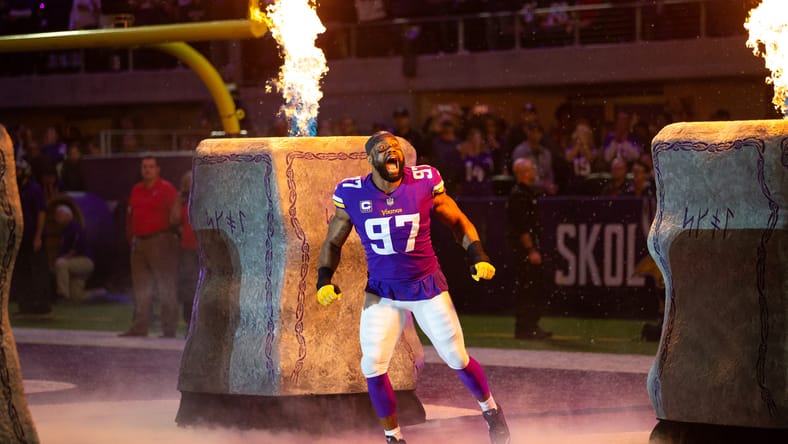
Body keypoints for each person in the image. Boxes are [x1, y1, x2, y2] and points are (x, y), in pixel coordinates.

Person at [317, 131, 510, 444]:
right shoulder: (352, 192)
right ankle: (394, 437)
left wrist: (478, 255)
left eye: (395, 146)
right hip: (382, 292)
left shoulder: (423, 180)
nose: (391, 151)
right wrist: (324, 278)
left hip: (426, 286)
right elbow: (333, 240)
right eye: (382, 149)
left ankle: (491, 410)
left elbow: (458, 221)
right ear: (370, 160)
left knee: (456, 358)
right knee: (373, 365)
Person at [120, 156, 179, 337]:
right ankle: (140, 326)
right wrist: (131, 238)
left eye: (151, 167)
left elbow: (175, 213)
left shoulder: (166, 189)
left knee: (165, 285)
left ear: (157, 169)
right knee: (140, 286)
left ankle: (168, 328)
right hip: (139, 242)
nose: (147, 170)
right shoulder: (136, 190)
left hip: (159, 239)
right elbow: (130, 216)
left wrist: (171, 234)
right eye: (144, 167)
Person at [507, 158, 551, 340]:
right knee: (528, 288)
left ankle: (530, 325)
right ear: (523, 173)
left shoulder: (526, 193)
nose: (534, 171)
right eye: (531, 168)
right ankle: (526, 327)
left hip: (526, 249)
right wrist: (531, 249)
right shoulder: (519, 195)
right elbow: (522, 226)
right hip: (525, 251)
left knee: (532, 288)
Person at [11, 160, 52, 317]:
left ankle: (42, 306)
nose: (16, 173)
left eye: (19, 170)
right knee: (22, 272)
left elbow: (41, 212)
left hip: (33, 236)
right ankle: (25, 306)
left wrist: (38, 236)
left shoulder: (34, 189)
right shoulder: (15, 191)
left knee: (38, 271)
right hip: (20, 237)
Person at [170, 170, 197, 329]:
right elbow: (173, 220)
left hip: (203, 250)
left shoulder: (206, 199)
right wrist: (178, 200)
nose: (191, 185)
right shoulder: (184, 201)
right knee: (188, 286)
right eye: (188, 183)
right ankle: (189, 322)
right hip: (187, 249)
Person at [52, 204, 94, 302]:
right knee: (76, 297)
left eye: (59, 215)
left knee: (60, 264)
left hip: (85, 261)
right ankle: (100, 294)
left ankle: (63, 296)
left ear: (68, 215)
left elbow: (79, 248)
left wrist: (64, 258)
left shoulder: (75, 228)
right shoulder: (64, 231)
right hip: (74, 263)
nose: (56, 218)